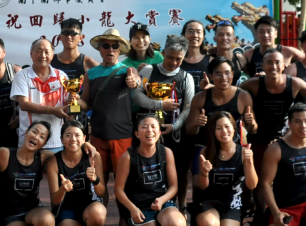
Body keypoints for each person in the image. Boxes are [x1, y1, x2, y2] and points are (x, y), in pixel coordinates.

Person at [132, 35, 195, 210]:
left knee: (179, 174)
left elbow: (188, 108)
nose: (174, 62)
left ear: (184, 57)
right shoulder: (149, 71)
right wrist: (160, 105)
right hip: (149, 135)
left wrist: (174, 126)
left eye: (178, 59)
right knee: (148, 173)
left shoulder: (186, 78)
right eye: (170, 57)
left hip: (175, 135)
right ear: (163, 52)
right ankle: (148, 208)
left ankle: (180, 208)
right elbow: (136, 96)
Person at [114, 114, 186, 226]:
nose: (149, 130)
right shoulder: (128, 157)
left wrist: (162, 200)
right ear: (137, 133)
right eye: (144, 127)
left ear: (159, 132)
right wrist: (132, 209)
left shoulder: (166, 152)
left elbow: (174, 186)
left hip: (162, 204)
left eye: (153, 127)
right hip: (139, 209)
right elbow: (118, 190)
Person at [190, 112, 257, 226]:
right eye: (218, 128)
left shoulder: (243, 152)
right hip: (210, 203)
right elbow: (202, 186)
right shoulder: (206, 152)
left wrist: (249, 162)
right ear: (213, 132)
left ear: (234, 128)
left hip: (232, 204)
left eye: (227, 127)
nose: (224, 131)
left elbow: (252, 185)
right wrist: (204, 172)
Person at [241, 49, 306, 166]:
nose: (273, 66)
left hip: (286, 139)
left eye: (277, 62)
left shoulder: (294, 84)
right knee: (259, 175)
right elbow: (232, 92)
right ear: (263, 66)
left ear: (284, 65)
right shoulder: (253, 84)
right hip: (258, 139)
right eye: (269, 62)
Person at [79, 29, 140, 176]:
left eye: (115, 46)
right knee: (98, 179)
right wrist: (74, 100)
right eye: (106, 45)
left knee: (123, 179)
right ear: (100, 48)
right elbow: (86, 103)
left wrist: (135, 81)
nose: (110, 49)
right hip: (97, 135)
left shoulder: (128, 70)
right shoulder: (90, 74)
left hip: (122, 135)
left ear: (120, 49)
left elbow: (136, 80)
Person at [0, 121, 56, 226]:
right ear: (26, 132)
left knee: (48, 223)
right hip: (10, 214)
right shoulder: (5, 154)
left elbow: (70, 153)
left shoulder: (44, 157)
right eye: (34, 132)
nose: (36, 137)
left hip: (33, 210)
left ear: (44, 144)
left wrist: (86, 144)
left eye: (42, 136)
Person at [48, 120, 107, 226]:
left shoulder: (93, 157)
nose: (73, 139)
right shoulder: (54, 161)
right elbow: (55, 200)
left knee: (98, 213)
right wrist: (63, 189)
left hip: (89, 206)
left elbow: (102, 192)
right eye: (68, 135)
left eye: (77, 135)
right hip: (67, 209)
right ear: (61, 139)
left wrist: (95, 180)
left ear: (84, 138)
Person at [11, 39, 70, 152]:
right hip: (29, 141)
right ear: (31, 53)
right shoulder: (22, 76)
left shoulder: (61, 76)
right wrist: (53, 110)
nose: (42, 55)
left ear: (52, 55)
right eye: (38, 51)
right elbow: (24, 105)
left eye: (47, 52)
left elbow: (68, 106)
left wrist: (73, 100)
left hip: (56, 141)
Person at [186, 56, 256, 146]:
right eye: (219, 73)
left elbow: (252, 130)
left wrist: (252, 123)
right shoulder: (200, 98)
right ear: (211, 76)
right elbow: (189, 131)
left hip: (233, 149)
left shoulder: (243, 97)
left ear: (232, 74)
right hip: (206, 147)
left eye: (227, 73)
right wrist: (197, 124)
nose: (223, 77)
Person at [208, 20, 247, 85]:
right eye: (221, 34)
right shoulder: (208, 59)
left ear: (234, 39)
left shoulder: (240, 59)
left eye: (228, 35)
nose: (225, 38)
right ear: (215, 38)